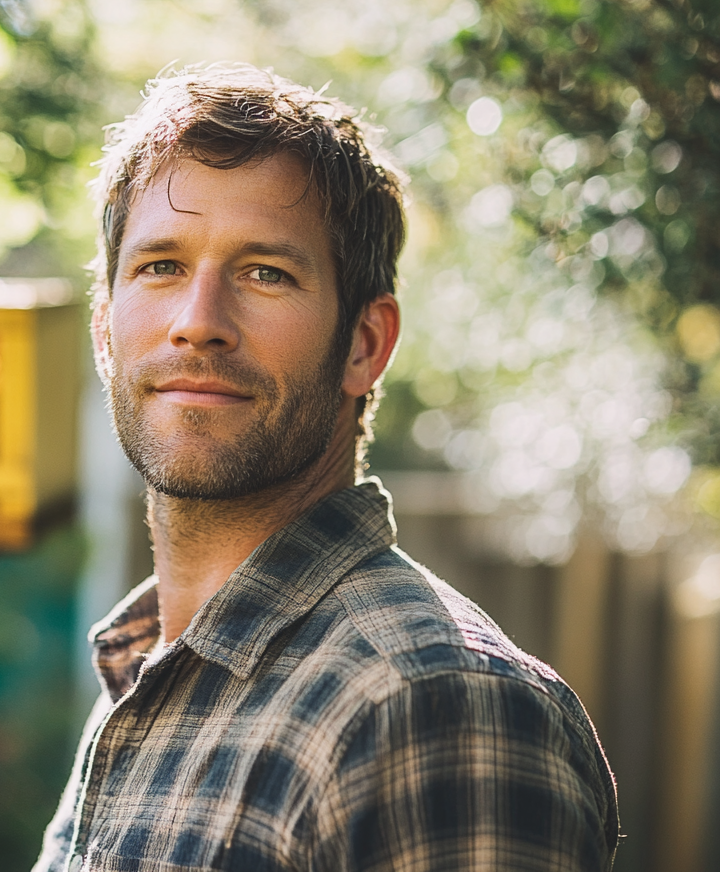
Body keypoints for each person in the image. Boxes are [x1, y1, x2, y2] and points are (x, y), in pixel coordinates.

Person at [35, 63, 619, 872]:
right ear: (105, 331)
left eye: (265, 273)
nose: (197, 324)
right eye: (160, 266)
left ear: (364, 344)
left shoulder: (432, 701)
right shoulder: (144, 684)